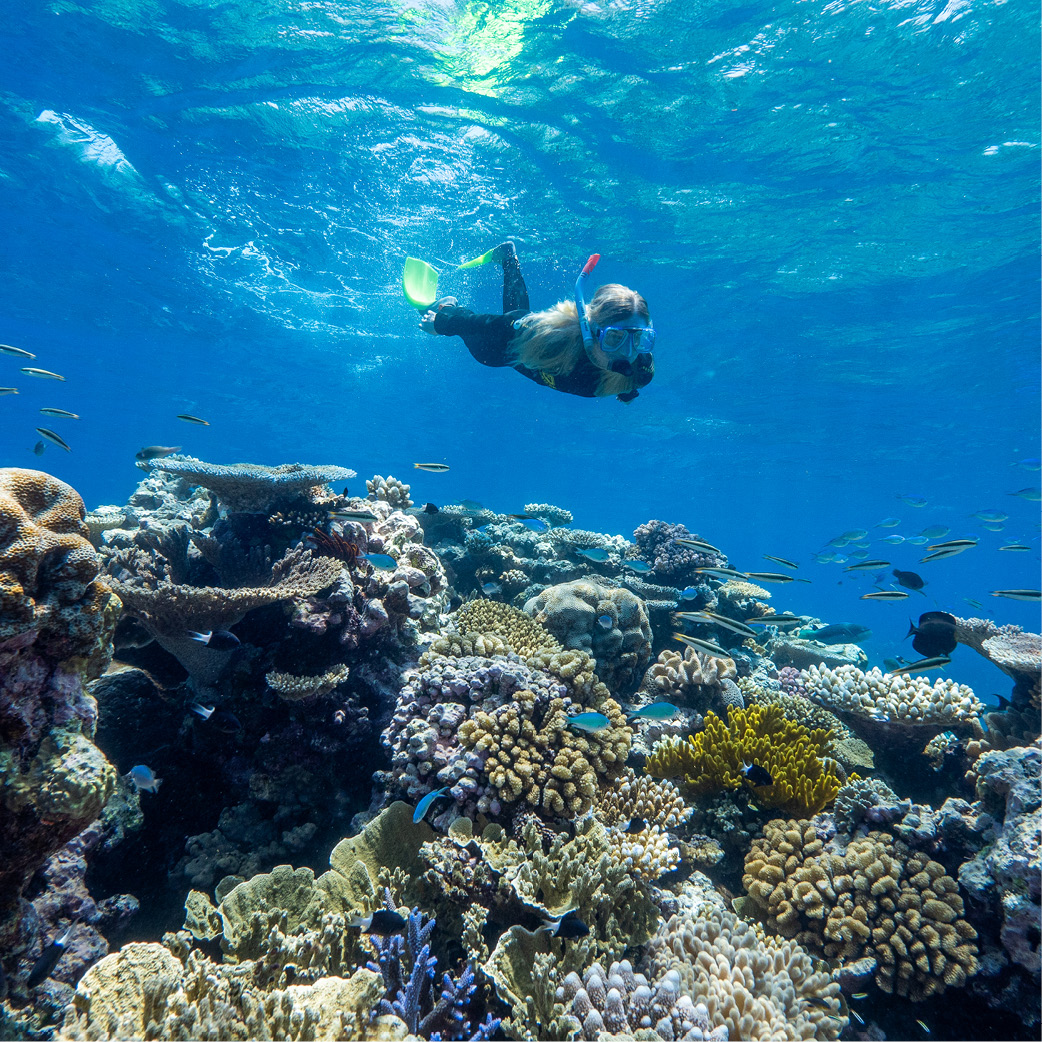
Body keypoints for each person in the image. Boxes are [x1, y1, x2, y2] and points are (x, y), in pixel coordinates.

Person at [419, 243, 655, 403]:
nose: (628, 353)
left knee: (517, 314)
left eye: (639, 339)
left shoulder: (640, 369)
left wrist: (626, 390)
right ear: (591, 330)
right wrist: (444, 324)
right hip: (511, 341)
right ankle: (447, 306)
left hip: (522, 336)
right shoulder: (549, 336)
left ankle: (509, 258)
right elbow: (495, 324)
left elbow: (634, 375)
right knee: (489, 353)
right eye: (615, 338)